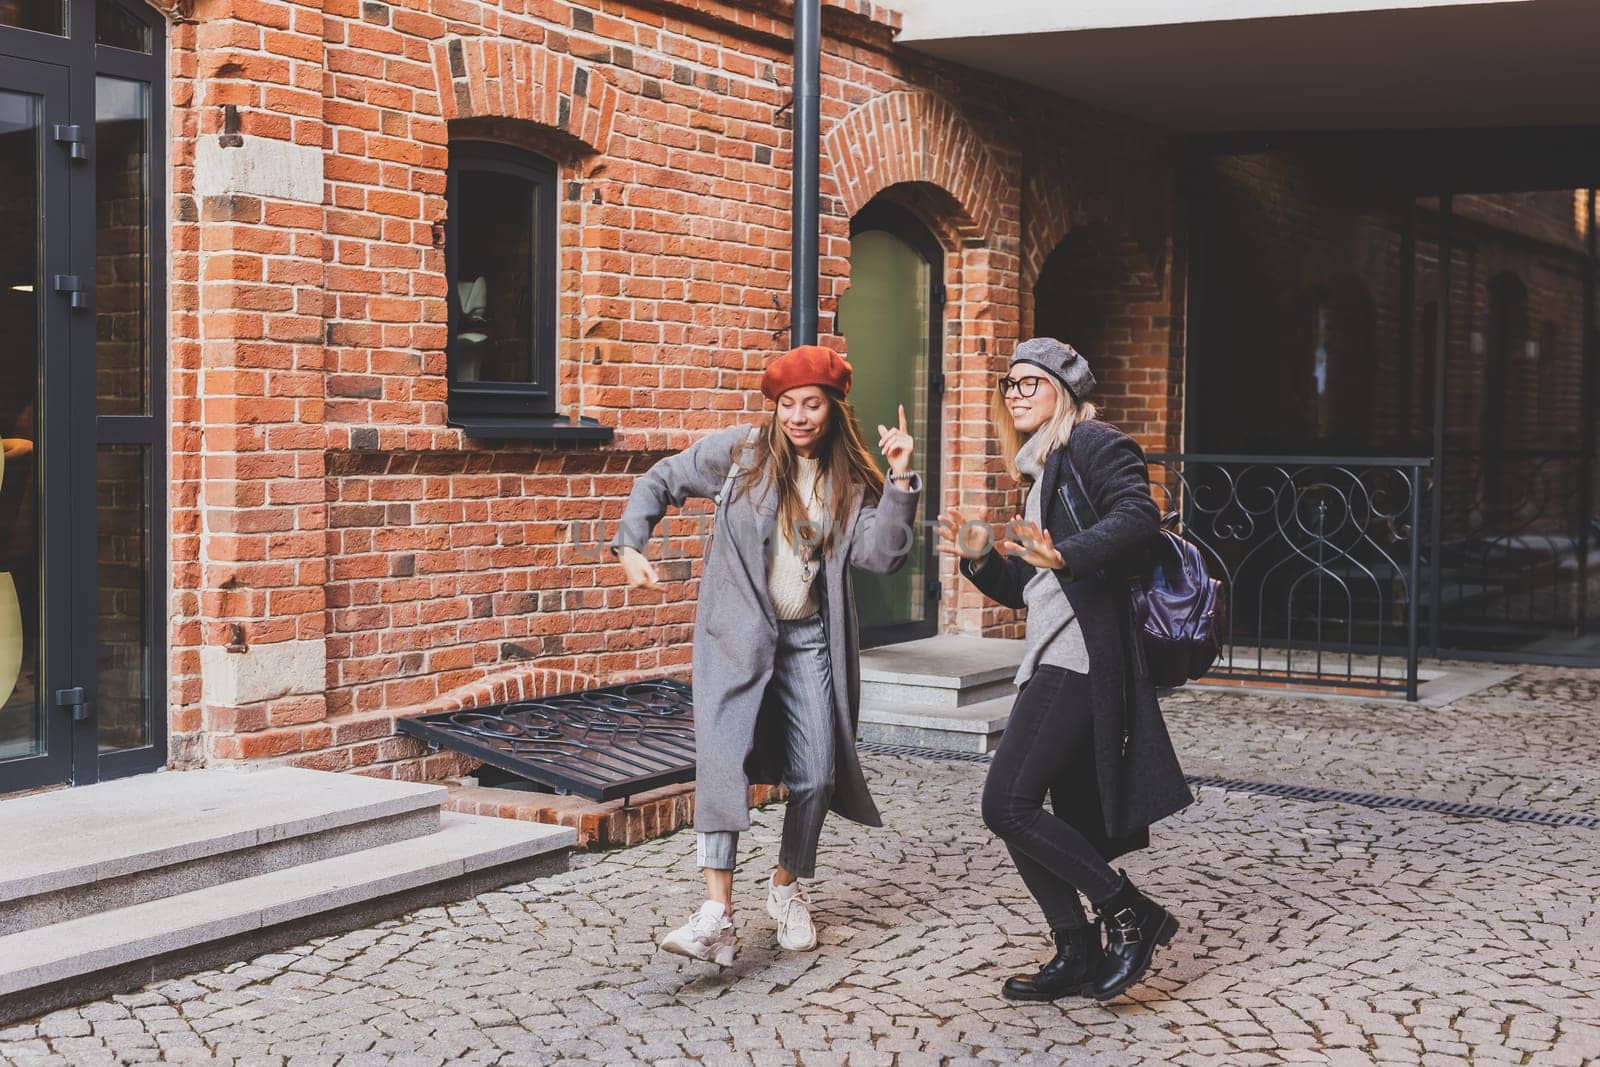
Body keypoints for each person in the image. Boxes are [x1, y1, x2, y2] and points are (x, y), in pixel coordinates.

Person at [611, 344, 921, 967]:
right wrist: (629, 545)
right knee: (721, 765)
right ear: (775, 407)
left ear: (832, 409)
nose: (799, 416)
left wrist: (900, 480)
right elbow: (661, 479)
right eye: (788, 405)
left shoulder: (850, 479)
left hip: (807, 638)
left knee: (817, 774)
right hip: (735, 637)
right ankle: (717, 916)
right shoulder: (739, 456)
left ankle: (785, 886)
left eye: (812, 404)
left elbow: (881, 556)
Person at [936, 337, 1193, 1002]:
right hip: (1051, 648)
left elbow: (1140, 514)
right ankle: (1075, 947)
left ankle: (1129, 912)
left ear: (1064, 390)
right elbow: (1033, 582)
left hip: (1080, 654)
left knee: (1006, 802)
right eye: (1009, 385)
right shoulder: (1044, 469)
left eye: (1031, 382)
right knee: (1026, 806)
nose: (1016, 394)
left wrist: (1068, 554)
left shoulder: (1092, 442)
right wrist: (980, 557)